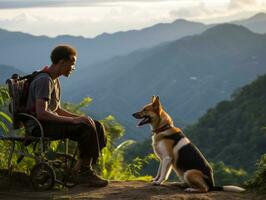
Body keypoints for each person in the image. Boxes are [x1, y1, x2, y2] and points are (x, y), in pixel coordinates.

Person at [26, 44, 108, 187]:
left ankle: (78, 170)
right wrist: (74, 120)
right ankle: (84, 172)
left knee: (96, 125)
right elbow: (42, 113)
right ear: (62, 62)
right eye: (72, 64)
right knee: (85, 129)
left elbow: (56, 109)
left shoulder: (54, 80)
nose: (73, 68)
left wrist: (80, 117)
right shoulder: (44, 80)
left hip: (48, 123)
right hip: (39, 126)